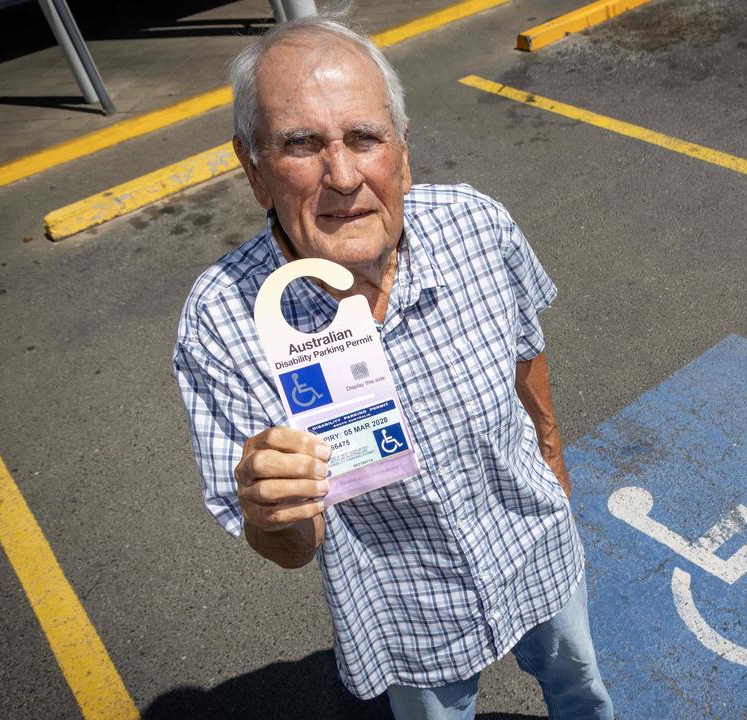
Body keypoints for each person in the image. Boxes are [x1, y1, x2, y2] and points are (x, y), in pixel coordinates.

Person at [172, 14, 614, 720]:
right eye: (301, 144)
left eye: (364, 138)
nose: (342, 175)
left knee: (581, 690)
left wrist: (554, 464)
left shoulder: (478, 226)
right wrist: (272, 511)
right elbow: (290, 548)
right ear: (253, 169)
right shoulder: (222, 323)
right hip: (409, 609)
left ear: (402, 153)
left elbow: (527, 347)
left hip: (535, 544)